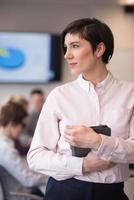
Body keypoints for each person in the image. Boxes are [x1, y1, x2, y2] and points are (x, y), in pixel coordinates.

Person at [27, 18, 134, 200]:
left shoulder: (130, 93)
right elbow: (36, 157)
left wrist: (98, 141)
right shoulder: (59, 95)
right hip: (63, 192)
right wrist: (83, 165)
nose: (67, 55)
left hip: (111, 194)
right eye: (66, 47)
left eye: (75, 46)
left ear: (99, 49)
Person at [0, 100, 48, 197]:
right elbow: (28, 180)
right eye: (22, 125)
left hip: (20, 191)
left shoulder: (6, 144)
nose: (22, 130)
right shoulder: (5, 148)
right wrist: (50, 177)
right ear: (13, 123)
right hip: (19, 196)